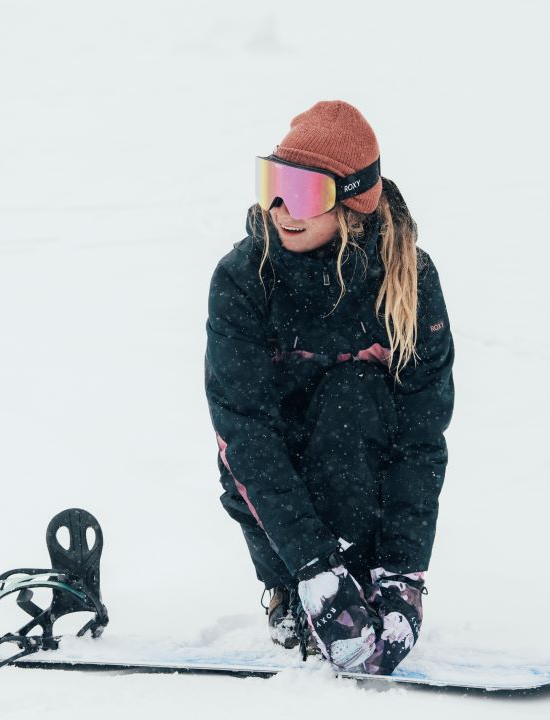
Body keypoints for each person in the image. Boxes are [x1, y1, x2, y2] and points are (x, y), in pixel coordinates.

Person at [204, 101, 455, 675]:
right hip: (278, 507)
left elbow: (421, 440)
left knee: (353, 395)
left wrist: (404, 572)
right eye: (274, 185)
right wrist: (313, 568)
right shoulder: (242, 279)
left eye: (303, 192)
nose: (280, 209)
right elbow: (245, 435)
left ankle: (368, 584)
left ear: (353, 202)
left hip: (367, 486)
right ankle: (293, 595)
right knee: (262, 443)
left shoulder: (410, 281)